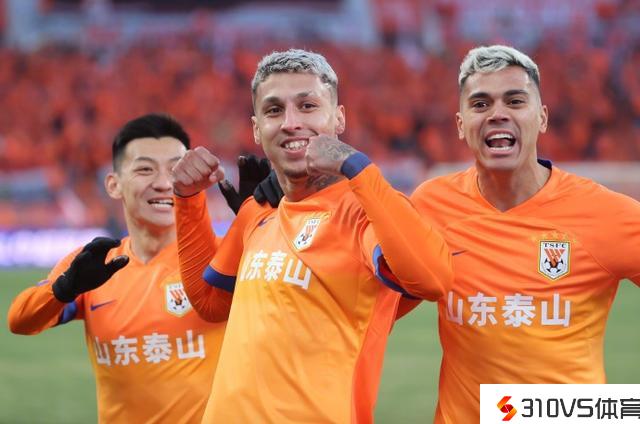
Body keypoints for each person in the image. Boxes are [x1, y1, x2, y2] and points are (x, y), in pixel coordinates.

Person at [170, 48, 454, 423]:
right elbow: (209, 303)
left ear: (338, 118)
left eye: (307, 106)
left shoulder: (363, 211)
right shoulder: (258, 212)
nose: (291, 123)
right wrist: (187, 201)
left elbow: (433, 278)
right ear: (256, 129)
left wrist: (357, 167)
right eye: (274, 110)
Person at [398, 45, 640, 423]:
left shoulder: (605, 214)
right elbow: (375, 304)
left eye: (515, 101)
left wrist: (625, 410)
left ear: (541, 118)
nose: (498, 114)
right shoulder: (432, 204)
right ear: (460, 124)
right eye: (480, 104)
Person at [7, 113, 274, 423]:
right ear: (114, 185)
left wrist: (263, 229)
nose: (163, 183)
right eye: (145, 169)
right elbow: (20, 321)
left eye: (176, 169)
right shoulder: (96, 264)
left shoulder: (223, 257)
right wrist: (63, 289)